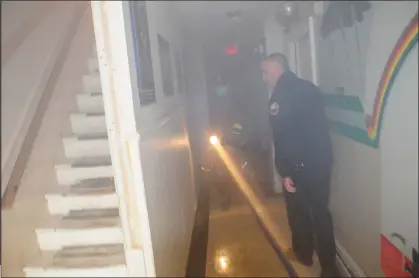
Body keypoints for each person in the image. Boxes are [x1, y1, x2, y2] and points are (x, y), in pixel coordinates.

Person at [260, 53, 339, 277]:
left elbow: (283, 138)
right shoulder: (310, 88)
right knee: (321, 213)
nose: (264, 78)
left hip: (299, 166)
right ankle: (330, 268)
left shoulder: (278, 98)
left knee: (298, 212)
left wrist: (285, 172)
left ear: (276, 69)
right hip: (321, 162)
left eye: (265, 72)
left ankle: (303, 254)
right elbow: (317, 128)